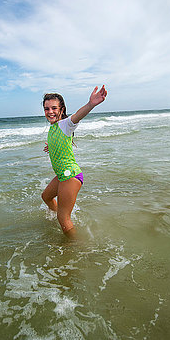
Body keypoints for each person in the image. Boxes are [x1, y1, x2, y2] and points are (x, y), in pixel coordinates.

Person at [41, 85, 108, 237]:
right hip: (62, 175)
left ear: (62, 109)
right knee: (46, 197)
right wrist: (51, 147)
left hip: (70, 175)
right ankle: (55, 215)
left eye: (54, 108)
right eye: (46, 109)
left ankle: (75, 248)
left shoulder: (66, 124)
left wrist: (91, 104)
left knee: (63, 218)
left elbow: (78, 115)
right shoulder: (54, 128)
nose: (50, 112)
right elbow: (61, 143)